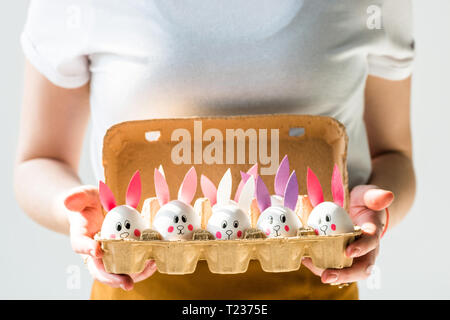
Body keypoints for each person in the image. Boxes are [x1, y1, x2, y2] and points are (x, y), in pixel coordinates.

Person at [14, 0, 415, 299]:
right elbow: (39, 160)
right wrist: (71, 209)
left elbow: (393, 155)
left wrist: (374, 213)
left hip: (317, 287)